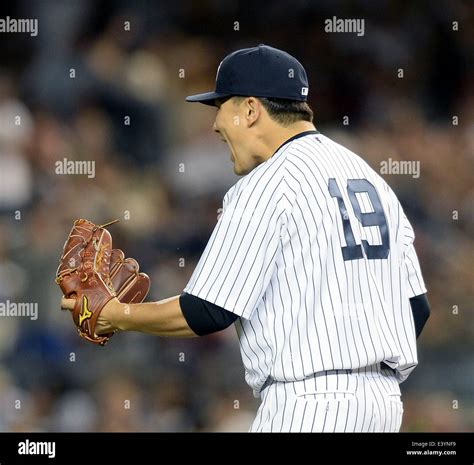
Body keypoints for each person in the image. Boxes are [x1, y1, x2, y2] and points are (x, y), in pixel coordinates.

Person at [62, 44, 430, 432]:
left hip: (307, 405)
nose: (216, 124)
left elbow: (207, 311)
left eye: (221, 106)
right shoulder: (371, 179)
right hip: (384, 405)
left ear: (251, 110)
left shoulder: (268, 183)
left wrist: (114, 316)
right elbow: (416, 309)